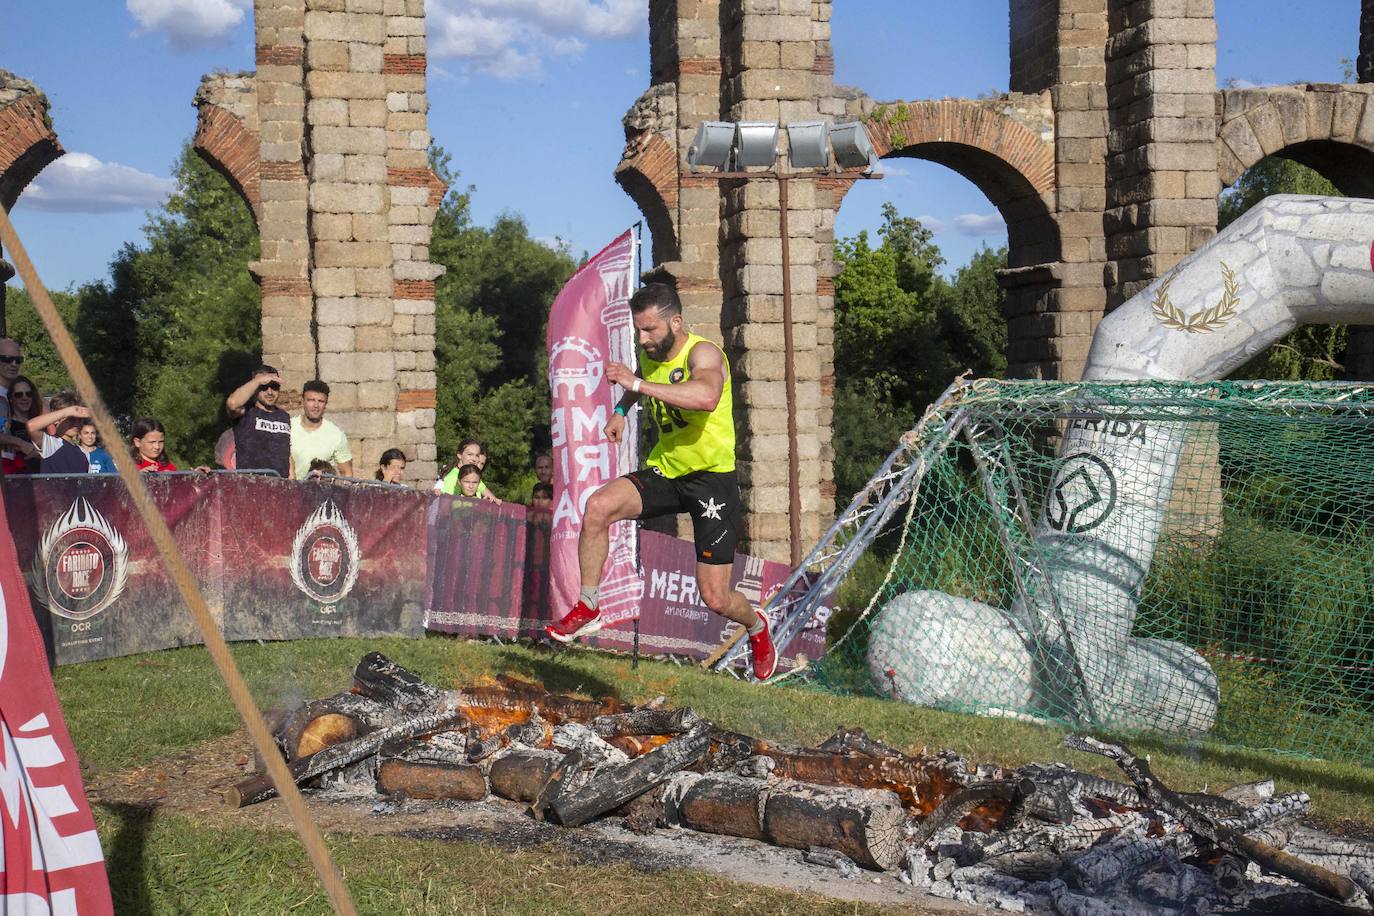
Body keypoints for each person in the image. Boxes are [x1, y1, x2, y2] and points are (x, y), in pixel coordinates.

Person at [545, 282, 776, 680]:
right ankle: (588, 605)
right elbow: (641, 382)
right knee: (597, 506)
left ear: (676, 321)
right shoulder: (649, 355)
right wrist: (620, 409)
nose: (644, 338)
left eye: (650, 329)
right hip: (667, 471)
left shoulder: (703, 352)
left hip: (710, 482)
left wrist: (635, 386)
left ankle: (757, 625)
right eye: (639, 330)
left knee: (716, 597)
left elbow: (704, 396)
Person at [226, 365, 290, 478]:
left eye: (274, 386)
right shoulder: (246, 412)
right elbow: (232, 403)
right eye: (263, 387)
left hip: (279, 487)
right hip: (250, 484)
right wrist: (258, 380)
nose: (270, 392)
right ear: (255, 388)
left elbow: (287, 454)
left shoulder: (284, 416)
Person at [290, 379, 353, 479]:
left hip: (321, 491)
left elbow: (347, 473)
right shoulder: (288, 427)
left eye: (321, 401)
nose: (316, 405)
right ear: (302, 401)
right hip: (289, 490)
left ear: (326, 404)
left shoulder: (336, 435)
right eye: (311, 400)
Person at [25, 391, 90, 474]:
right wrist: (69, 411)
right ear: (57, 419)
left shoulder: (84, 453)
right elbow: (31, 426)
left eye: (80, 419)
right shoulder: (51, 444)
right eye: (71, 419)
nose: (76, 423)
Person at [0, 344, 41, 473]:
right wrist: (21, 444)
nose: (13, 364)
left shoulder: (4, 395)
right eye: (7, 359)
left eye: (18, 360)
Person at [434, 438, 499, 502]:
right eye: (470, 454)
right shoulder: (452, 477)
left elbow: (493, 500)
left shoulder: (472, 475)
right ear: (459, 455)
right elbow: (446, 505)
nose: (474, 459)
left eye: (477, 455)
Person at [3, 375, 42, 474]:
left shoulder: (41, 423)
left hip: (43, 480)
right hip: (18, 482)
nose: (25, 398)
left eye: (28, 394)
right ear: (11, 398)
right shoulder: (8, 427)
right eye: (19, 395)